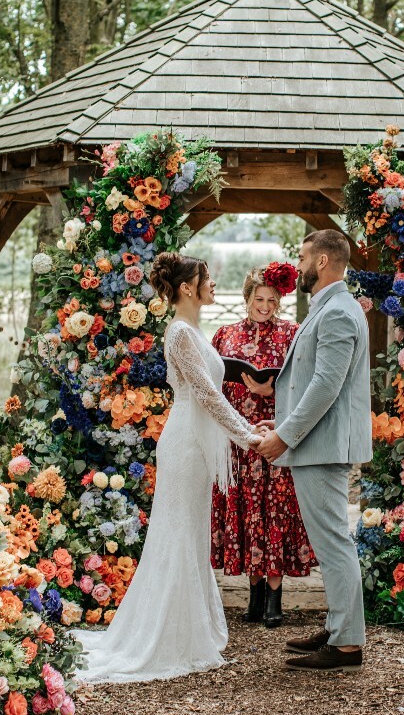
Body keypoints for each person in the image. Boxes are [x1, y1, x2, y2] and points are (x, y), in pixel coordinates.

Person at [75, 252, 265, 684]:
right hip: (184, 444)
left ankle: (189, 627)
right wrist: (246, 435)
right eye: (207, 278)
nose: (214, 284)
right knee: (177, 533)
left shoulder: (193, 331)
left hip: (194, 444)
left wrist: (248, 422)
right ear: (186, 287)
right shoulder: (180, 333)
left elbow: (215, 386)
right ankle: (169, 635)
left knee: (191, 533)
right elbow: (206, 395)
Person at [256, 229, 372, 673]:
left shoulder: (339, 311)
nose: (298, 264)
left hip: (321, 448)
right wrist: (281, 422)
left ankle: (346, 645)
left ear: (322, 261)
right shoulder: (329, 307)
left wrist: (285, 437)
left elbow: (326, 386)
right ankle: (339, 626)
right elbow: (311, 380)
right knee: (330, 542)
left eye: (303, 256)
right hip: (314, 443)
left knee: (334, 543)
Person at [211, 263, 315, 629]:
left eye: (272, 299)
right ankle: (253, 597)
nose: (265, 306)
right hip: (239, 441)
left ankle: (275, 597)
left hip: (276, 435)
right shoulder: (225, 334)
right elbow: (213, 384)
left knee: (274, 513)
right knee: (247, 512)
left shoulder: (292, 334)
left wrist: (271, 389)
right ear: (247, 298)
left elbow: (307, 383)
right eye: (259, 299)